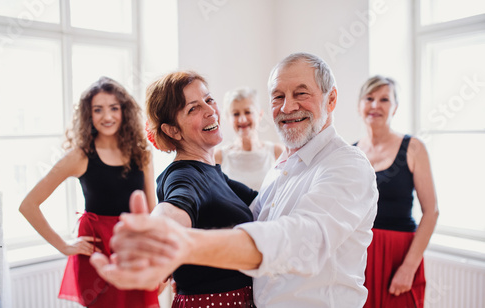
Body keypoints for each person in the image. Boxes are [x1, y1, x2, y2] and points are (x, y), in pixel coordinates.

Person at [91, 52, 379, 308]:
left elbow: (303, 239)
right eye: (278, 96)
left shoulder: (346, 164)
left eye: (301, 93)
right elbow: (177, 205)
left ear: (331, 99)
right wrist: (159, 241)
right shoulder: (280, 166)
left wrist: (185, 247)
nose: (288, 107)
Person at [19, 77, 159, 308]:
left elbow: (151, 211)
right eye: (98, 110)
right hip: (97, 254)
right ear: (89, 115)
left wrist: (158, 262)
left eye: (114, 108)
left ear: (124, 111)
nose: (107, 116)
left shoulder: (142, 153)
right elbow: (28, 205)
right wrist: (64, 246)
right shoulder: (80, 156)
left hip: (135, 248)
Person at [137, 71, 258, 307]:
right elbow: (174, 207)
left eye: (209, 99)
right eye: (193, 108)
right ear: (173, 130)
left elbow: (271, 202)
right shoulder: (184, 175)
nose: (209, 110)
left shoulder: (215, 174)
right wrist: (154, 234)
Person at [354, 76, 439, 308]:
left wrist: (409, 267)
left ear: (395, 107)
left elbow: (431, 212)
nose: (375, 105)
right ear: (359, 105)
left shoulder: (413, 148)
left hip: (399, 256)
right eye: (369, 98)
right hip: (357, 256)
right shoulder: (349, 153)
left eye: (384, 99)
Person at [214, 87, 284, 190]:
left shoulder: (278, 152)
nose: (242, 119)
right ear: (228, 118)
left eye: (248, 112)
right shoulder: (218, 157)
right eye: (235, 114)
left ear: (260, 115)